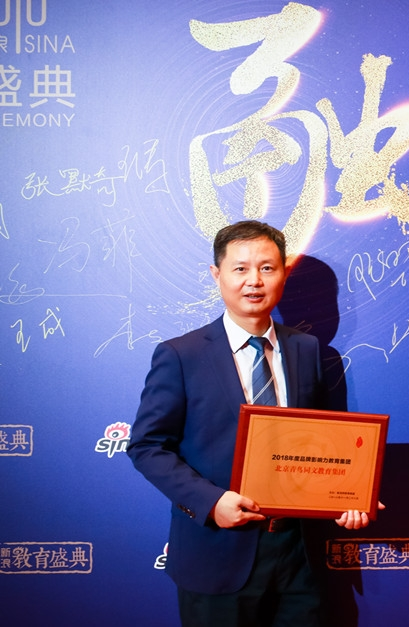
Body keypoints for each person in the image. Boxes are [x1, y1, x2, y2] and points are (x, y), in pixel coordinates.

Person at [127, 220, 374, 627]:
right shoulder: (181, 355)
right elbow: (147, 446)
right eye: (240, 268)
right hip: (217, 553)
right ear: (217, 274)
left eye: (267, 268)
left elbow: (331, 441)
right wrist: (211, 502)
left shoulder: (309, 350)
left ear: (284, 274)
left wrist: (350, 494)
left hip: (299, 556)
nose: (254, 281)